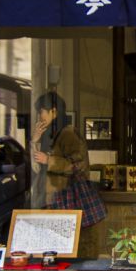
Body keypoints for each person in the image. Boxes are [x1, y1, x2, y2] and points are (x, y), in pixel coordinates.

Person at [31, 91, 107, 230]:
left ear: (53, 111)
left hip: (64, 200)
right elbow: (36, 167)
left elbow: (77, 165)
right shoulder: (50, 135)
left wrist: (49, 160)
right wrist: (35, 141)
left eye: (41, 111)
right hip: (51, 200)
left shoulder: (68, 133)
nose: (39, 116)